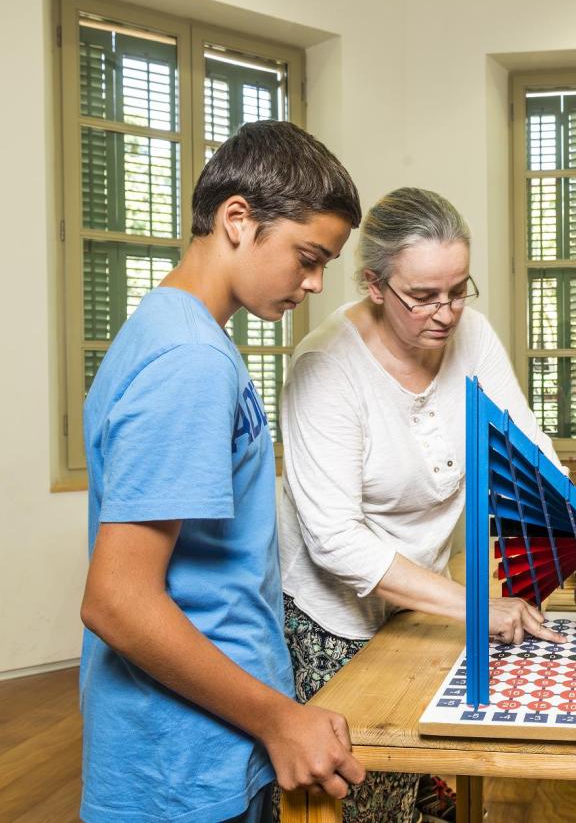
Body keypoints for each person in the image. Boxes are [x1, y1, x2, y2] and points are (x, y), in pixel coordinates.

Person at [278, 186, 576, 822]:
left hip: (424, 602)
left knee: (426, 783)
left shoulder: (473, 336)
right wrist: (474, 606)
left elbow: (530, 455)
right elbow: (334, 540)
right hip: (334, 619)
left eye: (460, 290)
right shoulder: (325, 366)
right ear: (374, 285)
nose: (446, 312)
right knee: (365, 805)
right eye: (425, 296)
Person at [80, 121, 366, 823]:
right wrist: (277, 718)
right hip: (180, 764)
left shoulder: (172, 332)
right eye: (307, 256)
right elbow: (117, 599)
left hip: (199, 743)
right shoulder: (191, 361)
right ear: (237, 219)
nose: (315, 283)